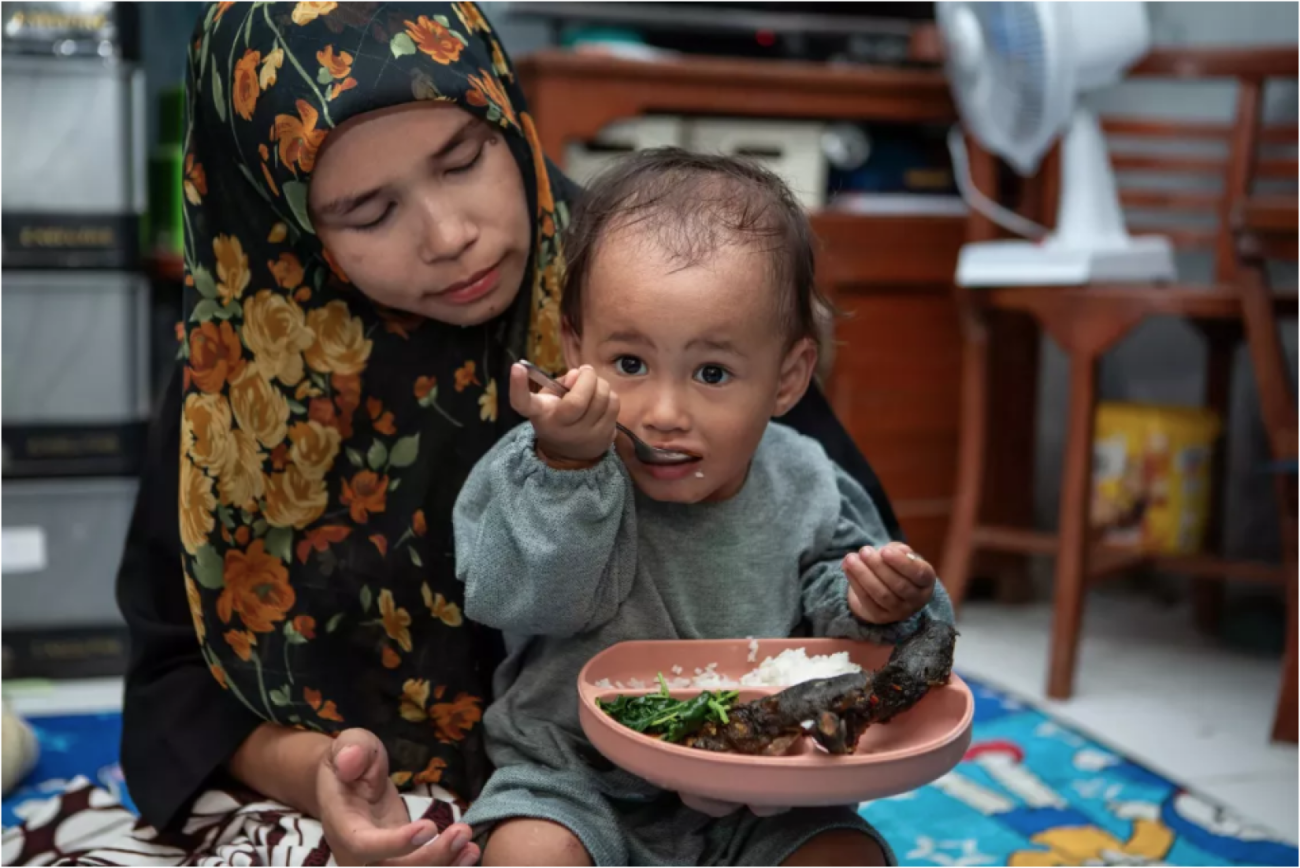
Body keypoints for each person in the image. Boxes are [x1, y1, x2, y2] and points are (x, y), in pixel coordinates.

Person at [24, 2, 901, 866]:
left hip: (732, 777)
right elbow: (179, 679)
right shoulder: (238, 378)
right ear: (286, 219)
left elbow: (840, 556)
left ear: (508, 120)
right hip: (482, 792)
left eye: (464, 159)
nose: (452, 236)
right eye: (370, 214)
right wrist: (324, 773)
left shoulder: (650, 282)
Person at [453, 150, 955, 866]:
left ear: (787, 379)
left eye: (712, 373)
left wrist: (879, 605)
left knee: (849, 857)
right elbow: (520, 602)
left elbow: (862, 640)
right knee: (531, 854)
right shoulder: (543, 465)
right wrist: (569, 470)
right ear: (575, 347)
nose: (663, 412)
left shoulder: (807, 479)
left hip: (766, 792)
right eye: (629, 364)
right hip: (574, 778)